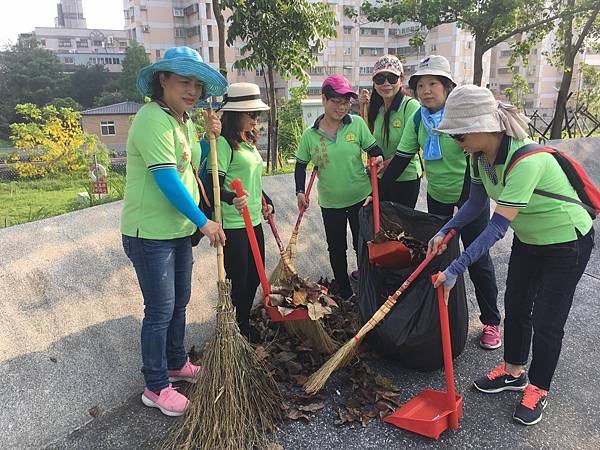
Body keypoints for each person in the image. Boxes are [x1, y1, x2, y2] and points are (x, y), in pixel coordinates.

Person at [430, 85, 594, 426]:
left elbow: (495, 227)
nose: (455, 141)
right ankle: (514, 372)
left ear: (483, 126)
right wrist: (445, 230)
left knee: (549, 320)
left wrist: (456, 268)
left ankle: (538, 388)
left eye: (459, 134)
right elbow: (475, 204)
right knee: (517, 306)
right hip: (530, 239)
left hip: (567, 242)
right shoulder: (478, 158)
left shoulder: (527, 160)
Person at [121, 46, 228, 417]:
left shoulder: (180, 120)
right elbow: (167, 179)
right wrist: (204, 220)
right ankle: (155, 385)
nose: (192, 91)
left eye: (197, 84)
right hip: (149, 233)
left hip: (176, 230)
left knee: (178, 302)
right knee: (160, 309)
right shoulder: (151, 118)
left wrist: (206, 138)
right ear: (162, 80)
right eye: (184, 82)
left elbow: (187, 164)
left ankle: (175, 362)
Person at [381, 55, 501, 349]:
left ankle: (491, 322)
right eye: (421, 85)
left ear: (448, 87)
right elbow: (402, 160)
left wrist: (464, 202)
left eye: (433, 83)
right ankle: (448, 316)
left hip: (471, 199)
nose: (426, 90)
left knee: (477, 258)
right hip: (437, 198)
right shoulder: (417, 119)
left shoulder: (460, 119)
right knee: (441, 257)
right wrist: (379, 193)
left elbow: (473, 160)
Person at [294, 75, 384, 300]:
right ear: (324, 99)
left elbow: (374, 148)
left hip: (360, 197)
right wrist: (299, 192)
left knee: (362, 244)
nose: (342, 106)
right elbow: (300, 165)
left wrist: (378, 157)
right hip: (331, 202)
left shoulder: (357, 124)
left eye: (346, 101)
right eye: (337, 100)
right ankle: (344, 290)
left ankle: (366, 285)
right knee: (336, 248)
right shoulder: (310, 135)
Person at [206, 82, 274, 343]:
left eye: (258, 115)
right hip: (234, 224)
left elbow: (252, 180)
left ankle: (243, 322)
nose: (256, 119)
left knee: (256, 276)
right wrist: (232, 198)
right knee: (240, 280)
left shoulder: (248, 141)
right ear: (236, 114)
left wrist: (266, 201)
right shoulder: (223, 144)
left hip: (254, 220)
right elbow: (214, 186)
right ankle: (234, 329)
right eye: (251, 114)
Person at [359, 54, 422, 208]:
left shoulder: (411, 107)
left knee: (401, 227)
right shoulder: (377, 109)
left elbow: (412, 148)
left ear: (401, 80)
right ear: (374, 83)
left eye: (392, 78)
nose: (386, 83)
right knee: (382, 225)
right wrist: (362, 108)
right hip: (379, 175)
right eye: (380, 79)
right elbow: (369, 136)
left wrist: (386, 164)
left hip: (405, 179)